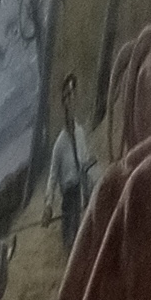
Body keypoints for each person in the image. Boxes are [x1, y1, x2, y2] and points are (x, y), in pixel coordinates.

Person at [49, 70, 97, 245]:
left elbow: (84, 160)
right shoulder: (60, 143)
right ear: (64, 102)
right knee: (70, 241)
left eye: (73, 94)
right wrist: (48, 205)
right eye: (67, 96)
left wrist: (90, 165)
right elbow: (53, 176)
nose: (71, 100)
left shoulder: (80, 133)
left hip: (82, 190)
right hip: (69, 196)